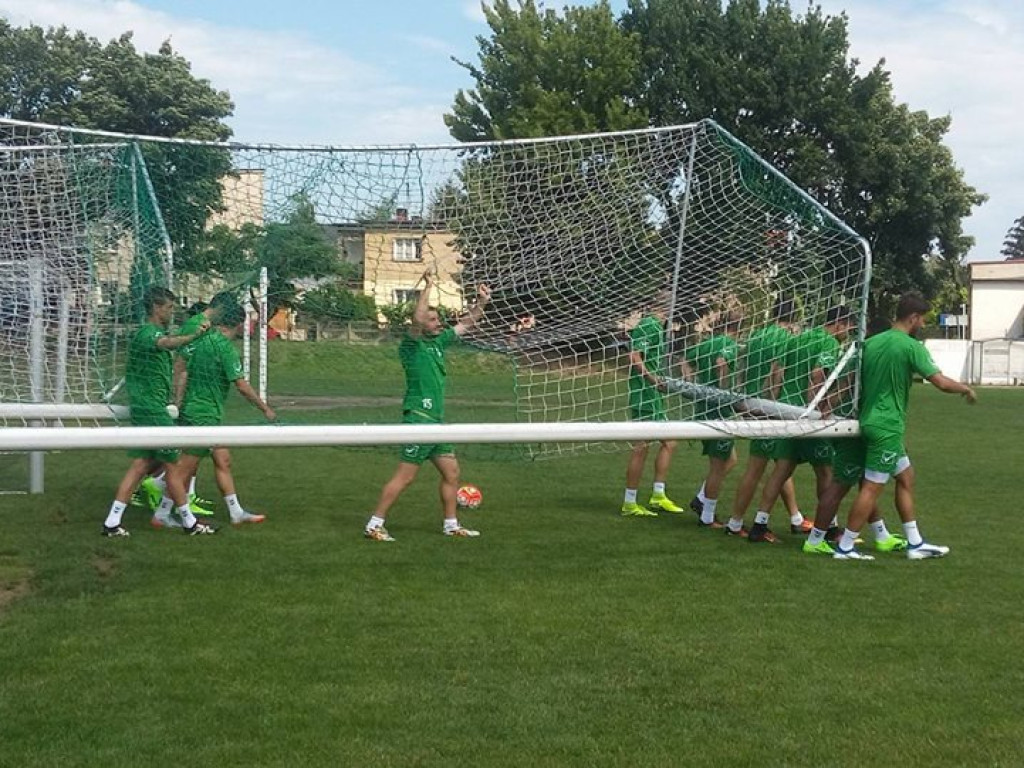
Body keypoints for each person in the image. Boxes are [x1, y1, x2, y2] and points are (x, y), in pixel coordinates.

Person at [831, 292, 976, 560]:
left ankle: (915, 542)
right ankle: (845, 547)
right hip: (886, 426)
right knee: (872, 487)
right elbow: (940, 382)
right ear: (913, 317)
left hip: (868, 419)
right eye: (922, 319)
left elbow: (847, 381)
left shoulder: (870, 343)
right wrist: (965, 389)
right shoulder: (910, 347)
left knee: (906, 477)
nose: (923, 324)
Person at [364, 273, 492, 541]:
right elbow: (418, 318)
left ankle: (451, 525)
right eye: (432, 319)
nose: (437, 323)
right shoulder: (411, 346)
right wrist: (428, 286)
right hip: (419, 419)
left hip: (436, 422)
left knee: (452, 473)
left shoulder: (438, 343)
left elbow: (467, 324)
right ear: (421, 323)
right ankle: (374, 524)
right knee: (405, 477)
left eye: (437, 319)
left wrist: (482, 301)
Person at [101, 287, 215, 537]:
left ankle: (112, 522)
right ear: (156, 308)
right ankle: (188, 523)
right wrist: (194, 335)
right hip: (151, 410)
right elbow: (167, 343)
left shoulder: (154, 333)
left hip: (150, 408)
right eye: (169, 307)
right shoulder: (148, 334)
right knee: (173, 465)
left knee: (141, 465)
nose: (172, 312)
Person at [155, 302, 276, 529]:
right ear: (238, 324)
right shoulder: (225, 349)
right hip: (205, 415)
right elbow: (241, 385)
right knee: (183, 469)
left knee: (223, 459)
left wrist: (179, 401)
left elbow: (182, 368)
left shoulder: (201, 341)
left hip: (195, 409)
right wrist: (265, 408)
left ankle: (236, 512)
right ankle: (162, 513)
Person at [741, 305, 855, 543]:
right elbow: (817, 374)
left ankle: (759, 525)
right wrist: (817, 406)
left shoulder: (797, 338)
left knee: (782, 470)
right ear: (840, 324)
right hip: (806, 415)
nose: (847, 334)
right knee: (825, 470)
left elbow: (777, 371)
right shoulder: (829, 343)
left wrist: (772, 404)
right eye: (848, 328)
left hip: (786, 411)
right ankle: (830, 528)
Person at [802, 318, 909, 555]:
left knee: (870, 481)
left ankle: (882, 535)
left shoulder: (862, 351)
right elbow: (844, 383)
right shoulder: (862, 353)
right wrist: (825, 406)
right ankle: (816, 540)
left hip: (861, 424)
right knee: (843, 484)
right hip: (852, 426)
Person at [723, 300, 803, 538]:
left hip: (751, 403)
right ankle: (735, 523)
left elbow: (742, 366)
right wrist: (771, 404)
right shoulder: (785, 339)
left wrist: (743, 399)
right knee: (757, 468)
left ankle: (796, 518)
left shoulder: (756, 336)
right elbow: (777, 371)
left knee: (782, 463)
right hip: (768, 411)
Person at [620, 294, 685, 517]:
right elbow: (635, 356)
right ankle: (634, 501)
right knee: (647, 446)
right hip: (645, 396)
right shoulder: (649, 325)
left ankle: (654, 495)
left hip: (651, 396)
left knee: (665, 443)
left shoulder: (656, 326)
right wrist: (652, 379)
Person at [682, 311, 742, 528]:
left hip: (702, 407)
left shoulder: (706, 343)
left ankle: (701, 498)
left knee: (730, 459)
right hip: (718, 411)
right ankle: (707, 516)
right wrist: (723, 390)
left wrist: (690, 384)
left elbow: (685, 361)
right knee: (718, 466)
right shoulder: (728, 344)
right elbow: (721, 362)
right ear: (737, 329)